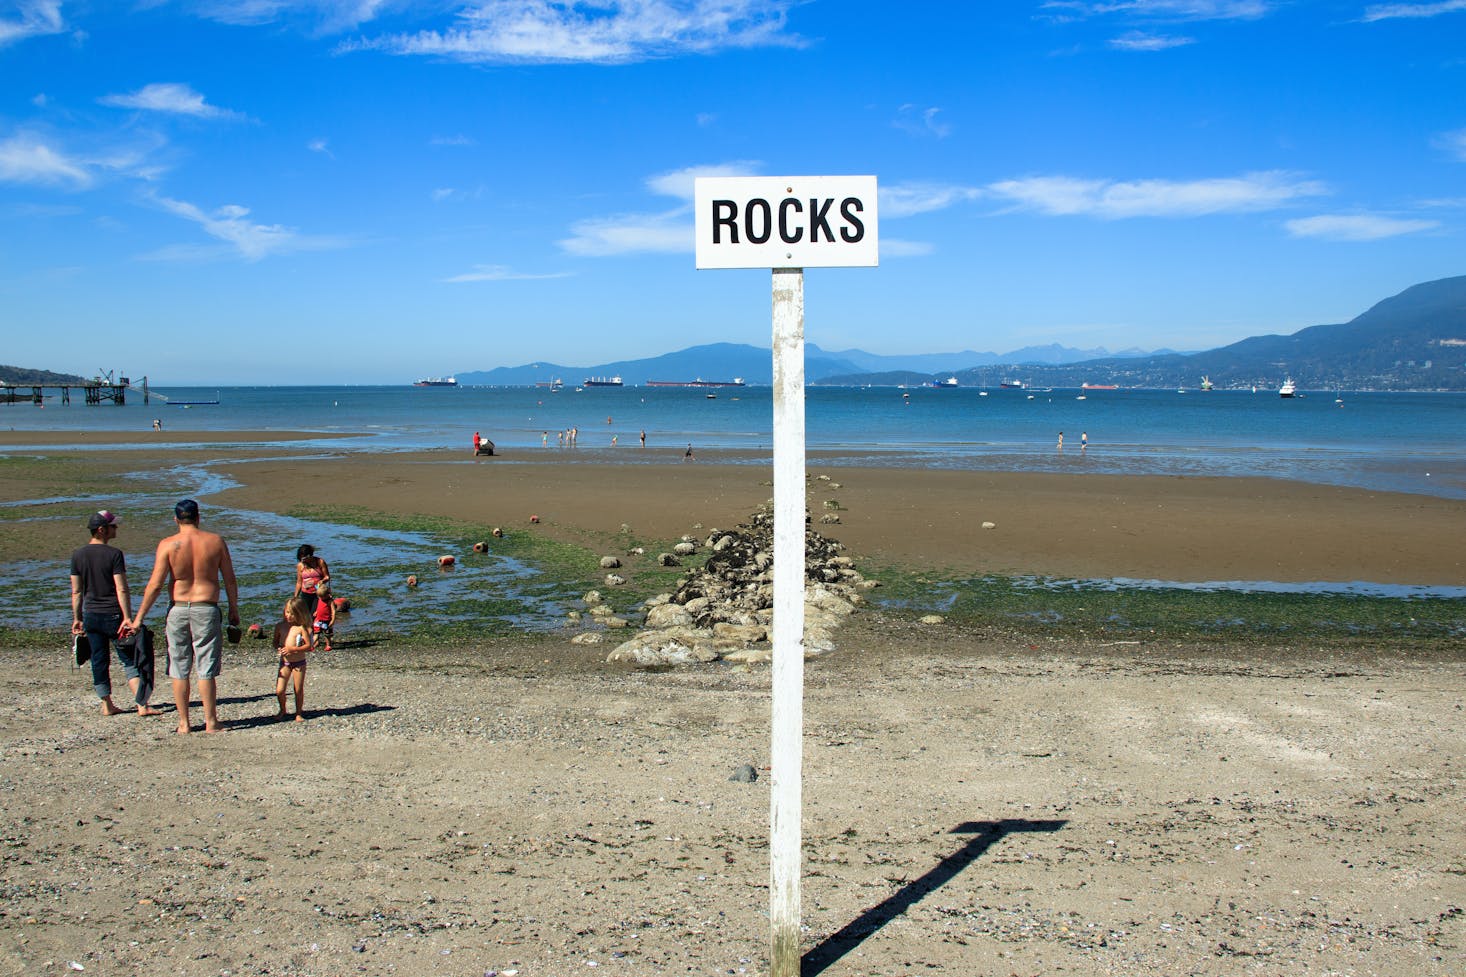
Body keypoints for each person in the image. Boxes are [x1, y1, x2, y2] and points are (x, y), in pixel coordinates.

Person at [133, 499, 240, 735]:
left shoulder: (169, 544)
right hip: (206, 606)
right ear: (198, 517)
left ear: (176, 519)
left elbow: (155, 584)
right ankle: (211, 722)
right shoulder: (215, 541)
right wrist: (234, 608)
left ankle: (184, 723)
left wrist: (139, 616)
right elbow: (230, 579)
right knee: (205, 666)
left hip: (178, 607)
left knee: (179, 666)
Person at [69, 510, 159, 718]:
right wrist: (128, 616)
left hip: (90, 614)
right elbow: (121, 588)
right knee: (129, 659)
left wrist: (77, 618)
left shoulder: (78, 555)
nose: (116, 529)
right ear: (102, 530)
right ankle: (142, 705)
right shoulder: (114, 554)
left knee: (99, 660)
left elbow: (76, 591)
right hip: (113, 616)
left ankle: (106, 704)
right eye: (113, 526)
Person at [274, 596, 312, 722]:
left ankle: (298, 712)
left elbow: (308, 646)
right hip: (285, 662)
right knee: (280, 690)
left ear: (299, 614)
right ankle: (282, 709)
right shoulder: (280, 626)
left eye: (292, 614)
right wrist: (279, 648)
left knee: (298, 689)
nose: (289, 616)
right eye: (287, 612)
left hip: (299, 663)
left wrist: (293, 649)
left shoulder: (301, 628)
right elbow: (275, 643)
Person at [293, 544, 330, 619]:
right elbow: (299, 582)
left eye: (304, 558)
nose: (302, 561)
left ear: (309, 556)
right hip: (305, 594)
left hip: (318, 593)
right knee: (305, 616)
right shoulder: (300, 565)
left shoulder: (320, 562)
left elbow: (327, 577)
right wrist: (295, 597)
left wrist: (322, 581)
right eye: (301, 559)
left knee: (314, 615)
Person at [312, 583, 336, 651]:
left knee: (327, 635)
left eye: (322, 597)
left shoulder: (330, 601)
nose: (320, 598)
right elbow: (319, 607)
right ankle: (312, 645)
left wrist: (333, 620)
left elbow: (333, 611)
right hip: (318, 620)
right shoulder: (320, 599)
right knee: (316, 633)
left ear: (327, 595)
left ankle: (328, 645)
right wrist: (316, 612)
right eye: (319, 596)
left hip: (327, 620)